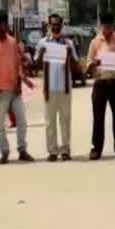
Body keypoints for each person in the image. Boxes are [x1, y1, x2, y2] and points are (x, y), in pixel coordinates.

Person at [0, 9, 35, 164]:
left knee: (22, 121)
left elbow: (17, 64)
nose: (2, 27)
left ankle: (22, 149)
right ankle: (4, 152)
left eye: (4, 23)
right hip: (0, 91)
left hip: (14, 89)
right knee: (0, 125)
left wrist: (21, 82)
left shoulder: (12, 41)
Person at [35, 13, 78, 162]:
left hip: (65, 88)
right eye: (52, 24)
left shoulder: (68, 43)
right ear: (49, 26)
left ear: (62, 26)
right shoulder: (43, 43)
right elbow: (36, 66)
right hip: (50, 88)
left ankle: (65, 149)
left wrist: (70, 54)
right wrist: (40, 54)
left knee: (65, 120)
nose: (55, 27)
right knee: (50, 121)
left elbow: (76, 66)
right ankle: (52, 151)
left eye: (58, 25)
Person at [86, 13, 115, 160]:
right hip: (100, 84)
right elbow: (88, 63)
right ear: (101, 25)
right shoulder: (95, 42)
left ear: (113, 25)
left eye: (110, 26)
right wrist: (93, 65)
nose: (107, 28)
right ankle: (96, 148)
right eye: (104, 26)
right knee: (98, 117)